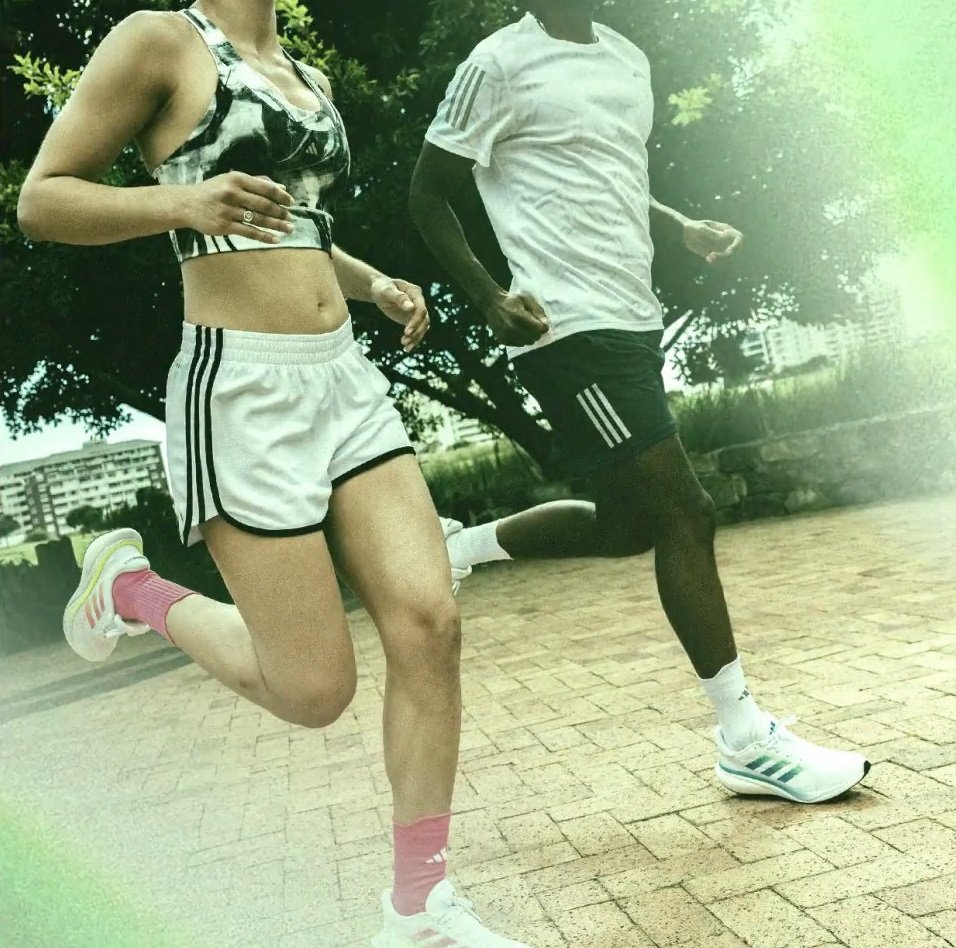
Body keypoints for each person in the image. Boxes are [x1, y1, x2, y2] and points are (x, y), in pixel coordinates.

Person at [18, 3, 529, 944]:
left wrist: (374, 285)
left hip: (343, 378)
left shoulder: (307, 78)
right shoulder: (160, 41)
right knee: (312, 691)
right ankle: (131, 588)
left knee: (431, 623)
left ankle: (418, 909)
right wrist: (180, 203)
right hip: (239, 391)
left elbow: (297, 225)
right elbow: (42, 201)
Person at [411, 0, 870, 804]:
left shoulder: (627, 58)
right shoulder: (497, 64)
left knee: (627, 525)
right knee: (687, 512)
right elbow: (427, 193)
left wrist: (679, 225)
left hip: (632, 317)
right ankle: (744, 739)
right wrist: (488, 297)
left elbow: (610, 175)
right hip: (564, 328)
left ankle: (456, 546)